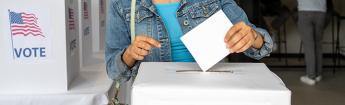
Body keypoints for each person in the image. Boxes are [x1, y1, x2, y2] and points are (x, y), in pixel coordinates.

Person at [106, 0, 273, 83]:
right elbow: (114, 72)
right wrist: (129, 54)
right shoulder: (122, 4)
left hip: (211, 92)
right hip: (156, 95)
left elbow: (263, 46)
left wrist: (252, 37)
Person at [297, 0, 327, 85]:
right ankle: (318, 74)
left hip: (305, 8)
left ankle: (311, 76)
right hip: (321, 10)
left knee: (309, 45)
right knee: (318, 44)